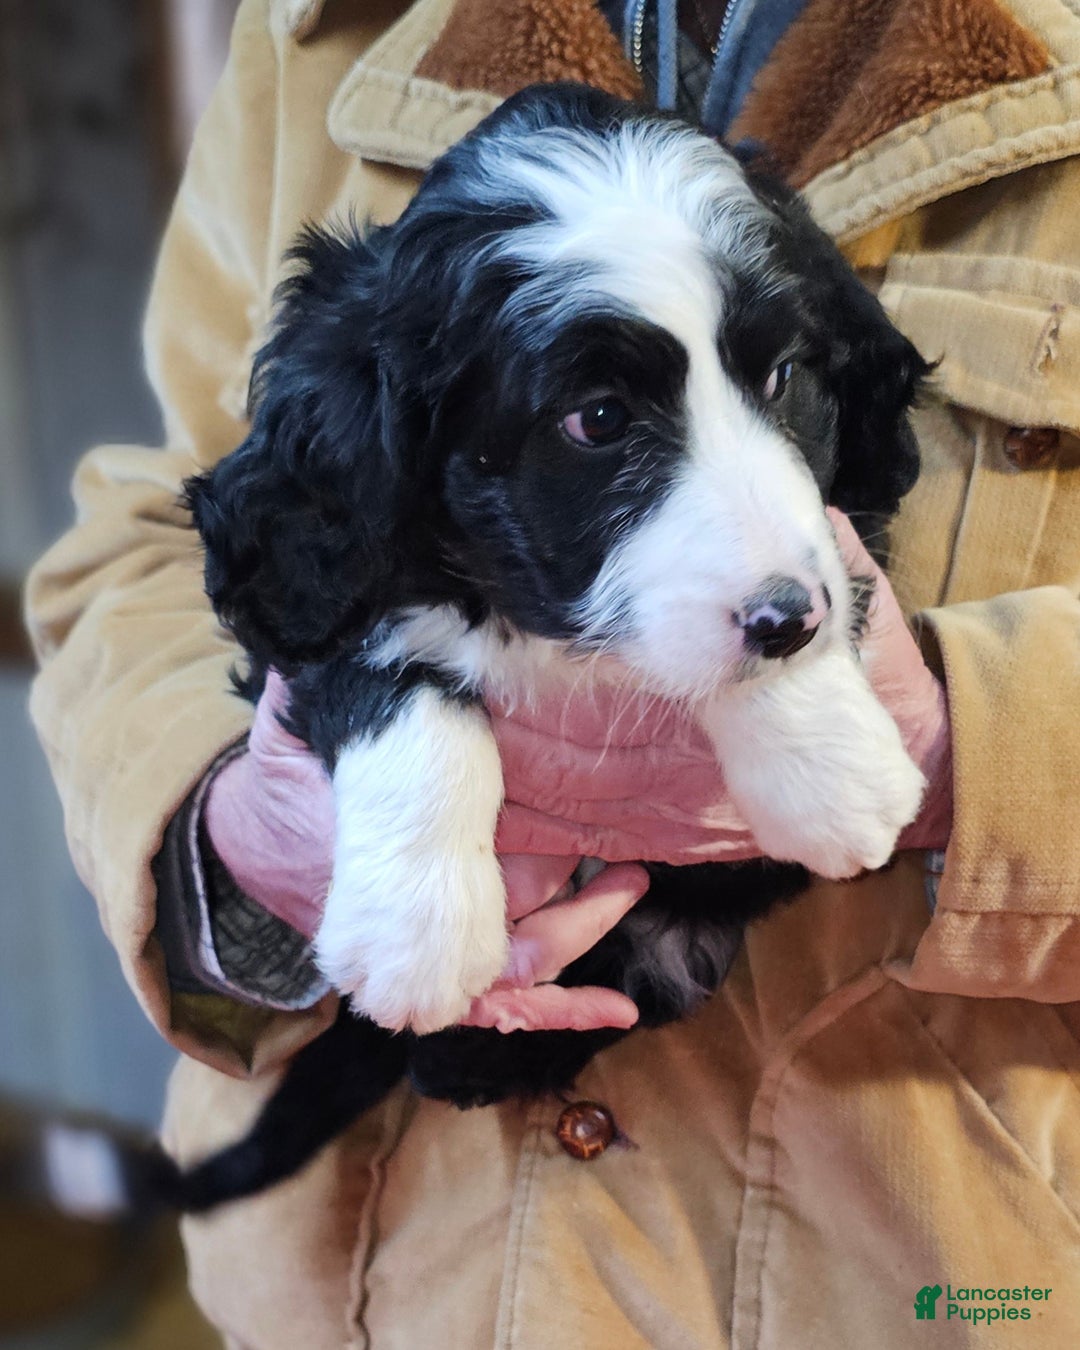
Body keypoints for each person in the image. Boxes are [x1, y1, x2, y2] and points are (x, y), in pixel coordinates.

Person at [24, 0, 1080, 1346]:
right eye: (598, 415)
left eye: (777, 380)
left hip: (932, 1276)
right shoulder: (316, 34)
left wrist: (956, 740)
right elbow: (175, 533)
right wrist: (250, 828)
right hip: (373, 1287)